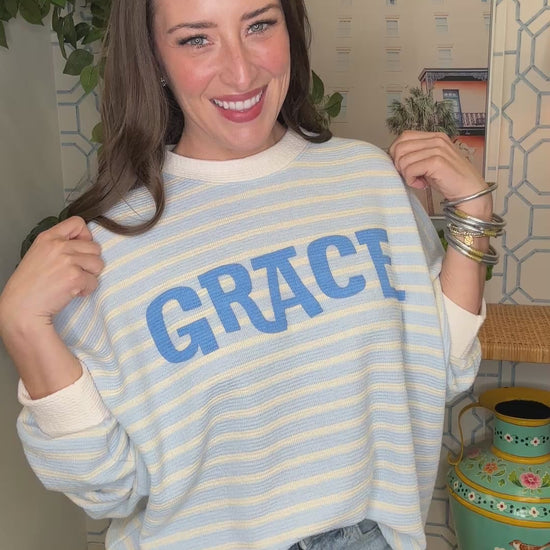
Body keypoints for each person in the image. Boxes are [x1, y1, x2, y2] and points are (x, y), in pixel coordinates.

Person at [0, 0, 498, 548]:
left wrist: (474, 214)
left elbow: (438, 371)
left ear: (290, 28)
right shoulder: (110, 247)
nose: (240, 72)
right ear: (155, 58)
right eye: (196, 39)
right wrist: (22, 327)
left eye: (259, 25)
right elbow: (109, 489)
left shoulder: (366, 180)